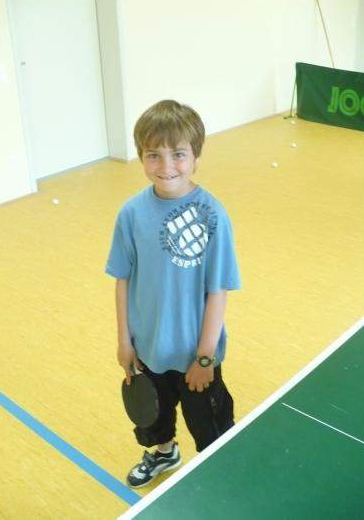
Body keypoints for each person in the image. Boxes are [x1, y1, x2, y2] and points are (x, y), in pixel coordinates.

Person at [105, 99, 241, 488]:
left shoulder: (213, 215)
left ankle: (222, 470)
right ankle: (164, 453)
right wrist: (124, 342)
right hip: (147, 348)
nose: (166, 165)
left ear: (196, 156)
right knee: (155, 417)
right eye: (154, 155)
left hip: (195, 354)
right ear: (141, 158)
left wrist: (205, 356)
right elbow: (122, 279)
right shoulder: (131, 214)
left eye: (178, 154)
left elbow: (218, 291)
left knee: (209, 422)